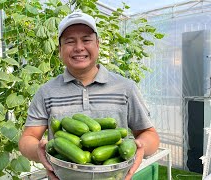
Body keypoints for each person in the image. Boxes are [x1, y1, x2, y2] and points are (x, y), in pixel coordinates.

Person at [18, 11, 160, 180]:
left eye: (86, 40)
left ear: (98, 44)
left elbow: (150, 134)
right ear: (60, 50)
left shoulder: (125, 88)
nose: (79, 47)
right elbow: (28, 138)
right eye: (70, 41)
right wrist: (38, 150)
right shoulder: (46, 92)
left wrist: (139, 146)